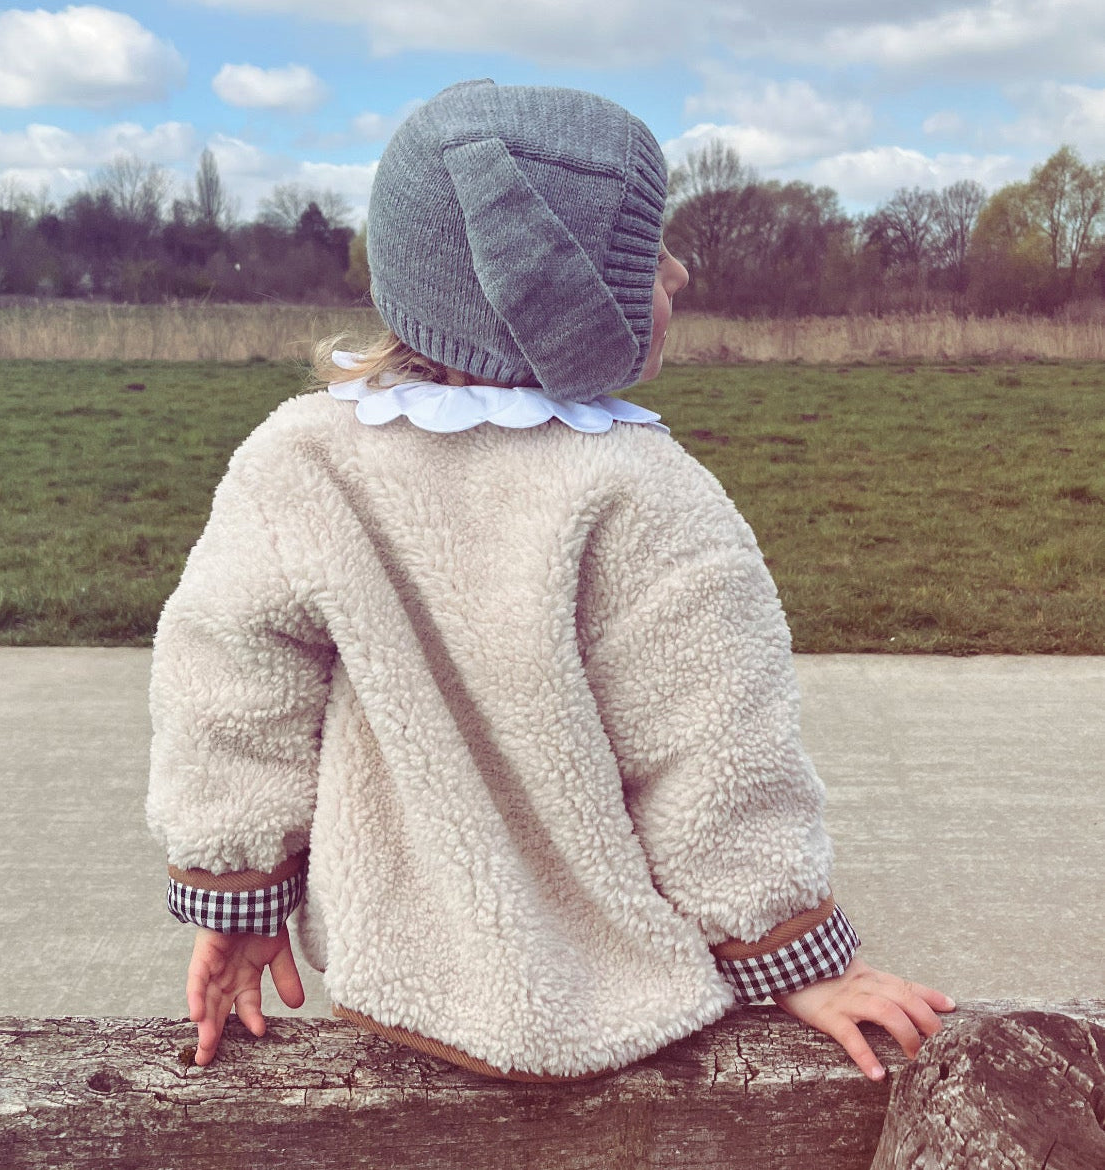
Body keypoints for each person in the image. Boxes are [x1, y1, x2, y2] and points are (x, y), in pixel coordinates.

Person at [147, 79, 953, 1083]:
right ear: (557, 296)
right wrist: (787, 946)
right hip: (628, 994)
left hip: (384, 970)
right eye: (643, 256)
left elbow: (225, 682)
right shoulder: (651, 492)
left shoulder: (300, 461)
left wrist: (242, 891)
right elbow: (716, 752)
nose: (680, 269)